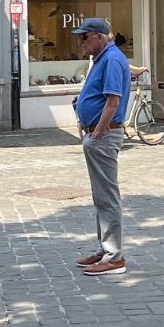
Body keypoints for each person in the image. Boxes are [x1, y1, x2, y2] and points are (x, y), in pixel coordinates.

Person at [72, 17, 131, 276]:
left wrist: (97, 132)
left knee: (107, 197)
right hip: (99, 135)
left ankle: (114, 256)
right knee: (101, 196)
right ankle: (105, 248)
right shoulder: (103, 58)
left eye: (84, 37)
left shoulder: (112, 59)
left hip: (104, 137)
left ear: (99, 36)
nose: (80, 42)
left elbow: (113, 102)